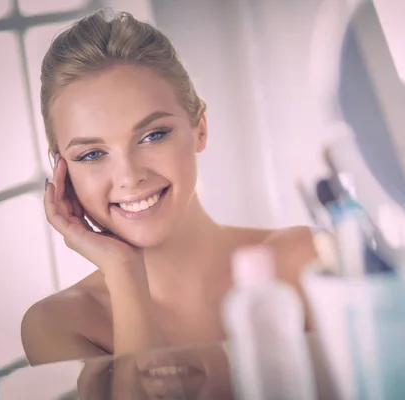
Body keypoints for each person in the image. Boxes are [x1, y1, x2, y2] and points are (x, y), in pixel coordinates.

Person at [21, 9, 318, 366]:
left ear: (200, 128)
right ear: (62, 172)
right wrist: (123, 271)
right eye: (93, 154)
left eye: (152, 135)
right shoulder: (58, 326)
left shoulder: (303, 261)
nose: (129, 176)